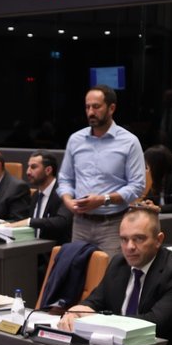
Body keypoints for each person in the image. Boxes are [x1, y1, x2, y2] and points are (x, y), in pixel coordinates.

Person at [59, 204, 172, 345]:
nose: (129, 247)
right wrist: (76, 311)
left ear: (158, 240)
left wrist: (98, 319)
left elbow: (153, 323)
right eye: (124, 239)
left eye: (139, 239)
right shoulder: (118, 264)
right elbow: (95, 300)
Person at [59, 85, 146, 256]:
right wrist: (68, 200)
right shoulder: (76, 140)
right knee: (76, 270)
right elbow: (65, 179)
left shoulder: (129, 142)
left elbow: (137, 186)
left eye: (96, 107)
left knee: (110, 271)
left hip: (112, 223)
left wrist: (103, 199)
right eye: (87, 107)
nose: (91, 112)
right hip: (80, 223)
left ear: (111, 108)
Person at [15, 151, 69, 242]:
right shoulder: (36, 195)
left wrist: (29, 222)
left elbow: (61, 221)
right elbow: (22, 219)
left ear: (48, 170)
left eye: (33, 167)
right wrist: (1, 222)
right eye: (28, 167)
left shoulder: (64, 193)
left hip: (55, 248)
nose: (28, 172)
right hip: (32, 247)